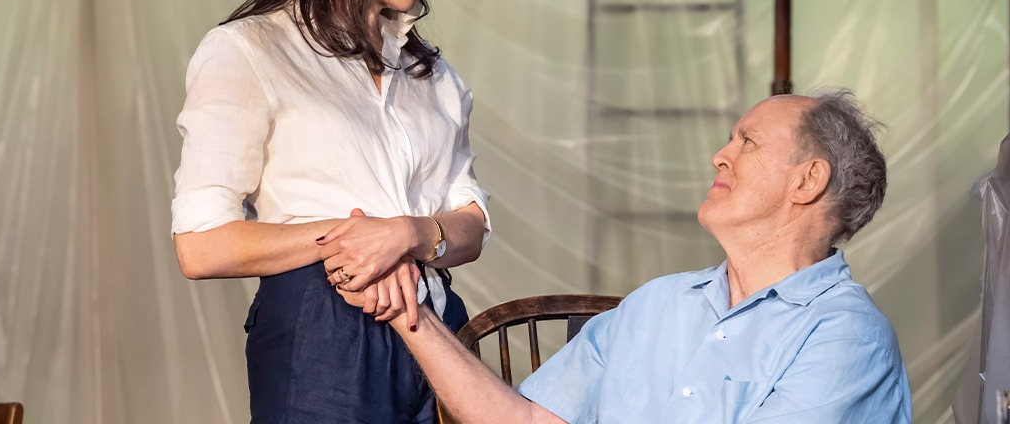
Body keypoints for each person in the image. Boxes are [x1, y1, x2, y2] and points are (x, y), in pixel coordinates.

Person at [170, 0, 490, 423]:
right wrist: (361, 240)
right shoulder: (249, 51)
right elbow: (202, 244)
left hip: (441, 328)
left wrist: (411, 235)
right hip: (323, 330)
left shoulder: (435, 76)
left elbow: (471, 224)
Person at [368, 92, 911, 423]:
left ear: (808, 180)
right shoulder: (658, 304)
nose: (720, 155)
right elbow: (527, 418)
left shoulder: (845, 335)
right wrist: (405, 309)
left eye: (748, 142)